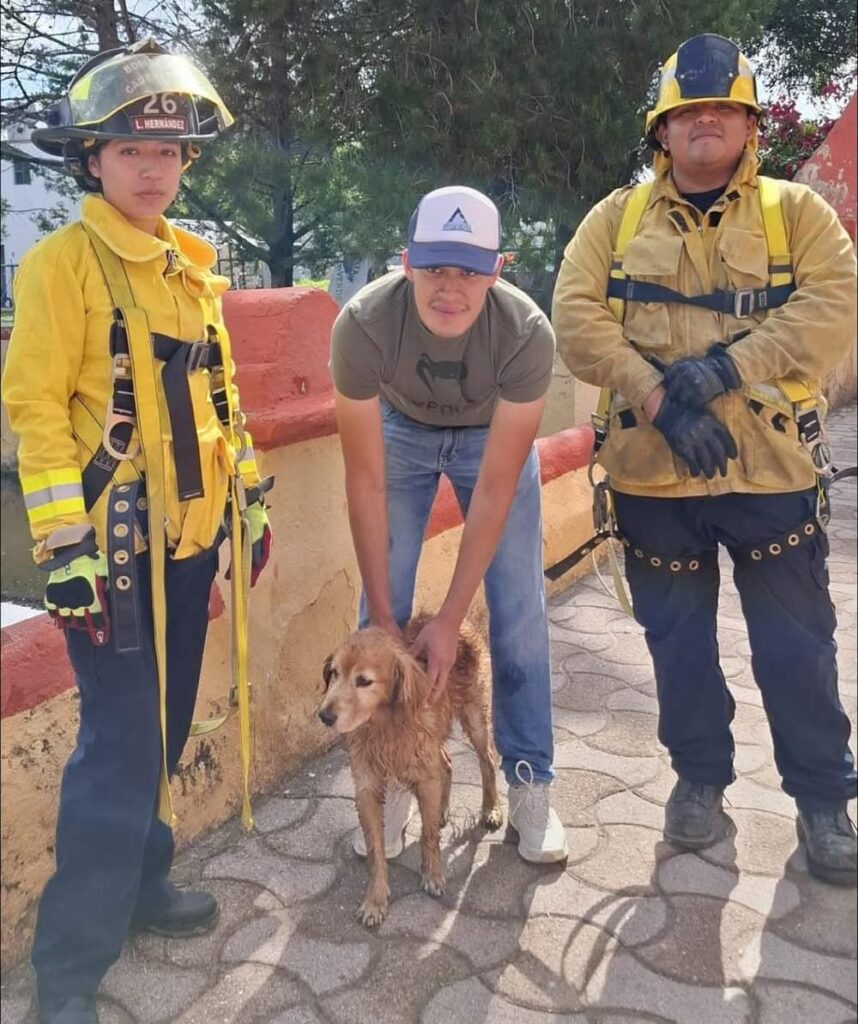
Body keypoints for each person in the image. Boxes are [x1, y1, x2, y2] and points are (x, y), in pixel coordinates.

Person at [1, 39, 272, 1024]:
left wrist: (252, 495)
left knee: (154, 735)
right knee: (116, 748)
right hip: (108, 559)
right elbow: (34, 414)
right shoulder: (58, 266)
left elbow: (221, 402)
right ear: (91, 159)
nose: (152, 168)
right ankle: (67, 971)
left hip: (191, 544)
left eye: (167, 151)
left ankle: (145, 886)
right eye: (129, 150)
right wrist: (62, 550)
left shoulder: (191, 271)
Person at [552, 34, 857, 885]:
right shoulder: (612, 220)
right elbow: (576, 317)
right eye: (686, 112)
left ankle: (824, 798)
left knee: (797, 647)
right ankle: (698, 778)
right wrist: (653, 397)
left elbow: (836, 309)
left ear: (749, 124)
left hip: (770, 472)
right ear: (662, 131)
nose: (704, 123)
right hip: (654, 472)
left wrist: (727, 368)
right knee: (677, 643)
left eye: (721, 108)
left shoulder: (798, 213)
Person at [329, 185, 569, 865]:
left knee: (520, 608)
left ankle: (528, 784)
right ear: (406, 262)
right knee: (379, 617)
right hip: (398, 435)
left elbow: (495, 489)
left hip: (489, 436)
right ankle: (392, 783)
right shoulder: (363, 324)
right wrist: (386, 623)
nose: (450, 287)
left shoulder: (525, 334)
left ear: (499, 268)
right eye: (435, 267)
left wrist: (450, 619)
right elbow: (364, 480)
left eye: (469, 270)